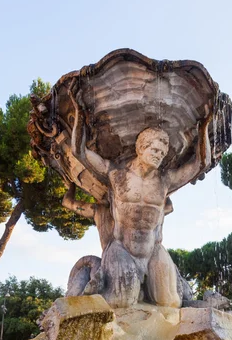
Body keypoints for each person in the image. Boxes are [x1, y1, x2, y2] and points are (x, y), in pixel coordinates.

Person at [68, 91, 211, 309]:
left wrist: (204, 127)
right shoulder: (117, 175)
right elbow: (79, 151)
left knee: (171, 302)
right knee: (122, 301)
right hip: (122, 249)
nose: (158, 155)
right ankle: (89, 287)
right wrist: (78, 112)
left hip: (152, 249)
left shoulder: (165, 180)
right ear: (141, 148)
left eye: (162, 153)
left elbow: (201, 163)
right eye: (154, 149)